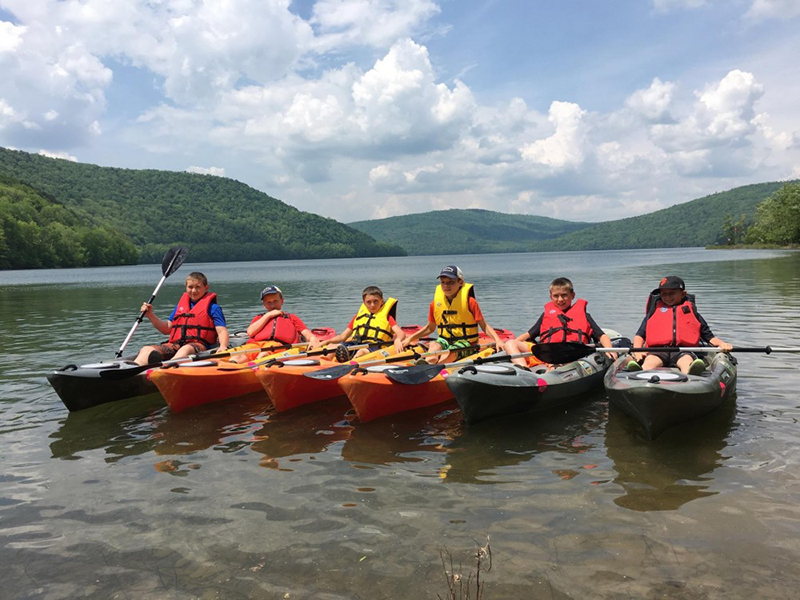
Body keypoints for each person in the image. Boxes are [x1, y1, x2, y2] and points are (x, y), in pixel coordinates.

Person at [628, 275, 733, 375]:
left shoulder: (692, 313)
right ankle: (641, 372)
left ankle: (691, 374)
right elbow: (640, 335)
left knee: (686, 361)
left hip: (683, 351)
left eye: (672, 293)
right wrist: (638, 350)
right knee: (651, 361)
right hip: (658, 351)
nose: (667, 297)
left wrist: (722, 344)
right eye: (664, 294)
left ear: (683, 294)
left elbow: (709, 337)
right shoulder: (654, 312)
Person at [504, 277, 617, 368]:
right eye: (556, 296)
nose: (560, 299)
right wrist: (510, 345)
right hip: (546, 353)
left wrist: (609, 350)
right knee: (510, 343)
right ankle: (523, 370)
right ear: (551, 297)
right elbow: (529, 334)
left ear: (572, 296)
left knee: (559, 363)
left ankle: (553, 369)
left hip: (571, 354)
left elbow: (601, 336)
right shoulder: (547, 315)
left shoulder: (584, 316)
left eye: (564, 295)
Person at [403, 265, 505, 364]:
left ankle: (436, 367)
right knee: (434, 345)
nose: (446, 286)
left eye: (451, 282)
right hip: (445, 341)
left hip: (467, 343)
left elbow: (484, 326)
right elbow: (430, 328)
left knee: (451, 352)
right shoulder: (435, 304)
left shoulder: (470, 302)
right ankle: (428, 363)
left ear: (460, 282)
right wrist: (409, 339)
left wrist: (498, 340)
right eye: (443, 282)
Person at [134, 272, 229, 366]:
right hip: (176, 344)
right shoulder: (180, 307)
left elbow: (221, 331)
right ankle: (134, 367)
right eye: (190, 287)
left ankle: (166, 367)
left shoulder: (213, 308)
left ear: (206, 288)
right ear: (186, 287)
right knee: (146, 349)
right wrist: (150, 315)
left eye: (198, 287)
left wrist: (223, 346)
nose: (194, 291)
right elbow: (166, 329)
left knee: (186, 349)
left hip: (199, 345)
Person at [230, 285, 324, 363]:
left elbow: (307, 334)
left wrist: (313, 339)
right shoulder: (259, 318)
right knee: (238, 357)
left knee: (264, 354)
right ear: (264, 305)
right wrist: (268, 315)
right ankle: (230, 370)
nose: (272, 305)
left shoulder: (291, 318)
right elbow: (250, 332)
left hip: (279, 346)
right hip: (256, 345)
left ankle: (255, 368)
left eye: (275, 301)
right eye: (268, 302)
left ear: (282, 301)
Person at [323, 286, 407, 362]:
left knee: (362, 351)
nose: (372, 305)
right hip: (356, 344)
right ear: (364, 302)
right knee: (333, 347)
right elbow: (343, 336)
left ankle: (350, 365)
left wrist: (398, 340)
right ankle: (324, 364)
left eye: (376, 301)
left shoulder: (387, 317)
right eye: (369, 302)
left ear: (382, 301)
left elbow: (401, 333)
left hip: (375, 346)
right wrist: (326, 341)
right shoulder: (358, 316)